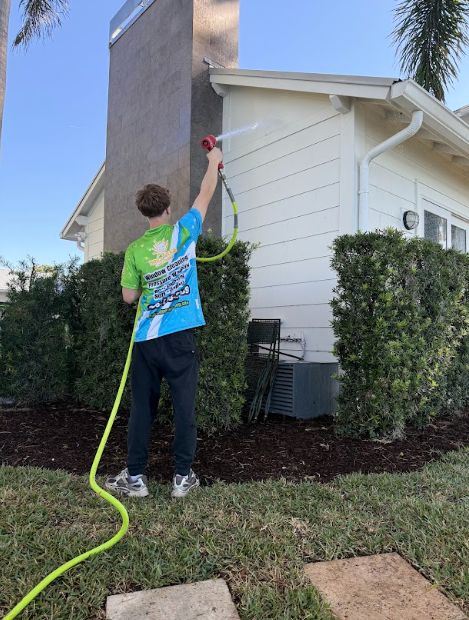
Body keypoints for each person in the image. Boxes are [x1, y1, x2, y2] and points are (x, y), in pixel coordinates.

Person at [106, 146, 223, 499]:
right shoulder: (184, 231)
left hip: (146, 340)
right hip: (180, 339)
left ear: (144, 212)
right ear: (168, 209)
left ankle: (136, 479)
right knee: (184, 407)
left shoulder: (134, 250)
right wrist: (214, 161)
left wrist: (148, 286)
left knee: (142, 409)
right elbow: (205, 193)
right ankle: (181, 478)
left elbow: (128, 297)